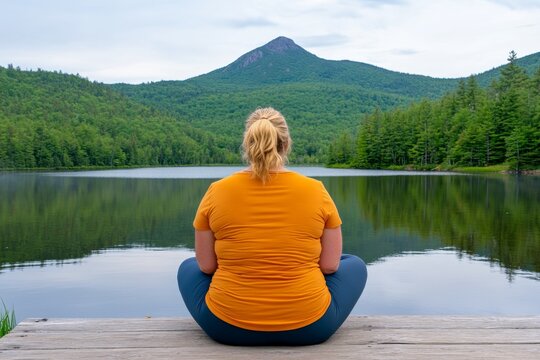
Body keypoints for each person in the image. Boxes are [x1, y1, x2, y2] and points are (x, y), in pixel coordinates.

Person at [177, 107, 367, 346]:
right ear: (286, 144)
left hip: (225, 327)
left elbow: (206, 266)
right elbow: (329, 266)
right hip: (312, 327)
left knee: (189, 266)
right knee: (354, 264)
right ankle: (298, 305)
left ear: (247, 145)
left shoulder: (217, 191)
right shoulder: (316, 190)